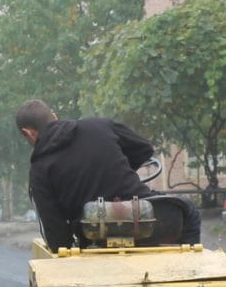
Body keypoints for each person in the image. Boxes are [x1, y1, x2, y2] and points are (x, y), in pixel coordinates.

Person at [15, 100, 202, 250]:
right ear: (54, 117)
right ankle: (191, 272)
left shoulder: (39, 169)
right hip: (149, 222)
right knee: (189, 210)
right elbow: (144, 149)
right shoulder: (99, 125)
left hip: (93, 237)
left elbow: (56, 233)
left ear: (28, 133)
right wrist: (118, 171)